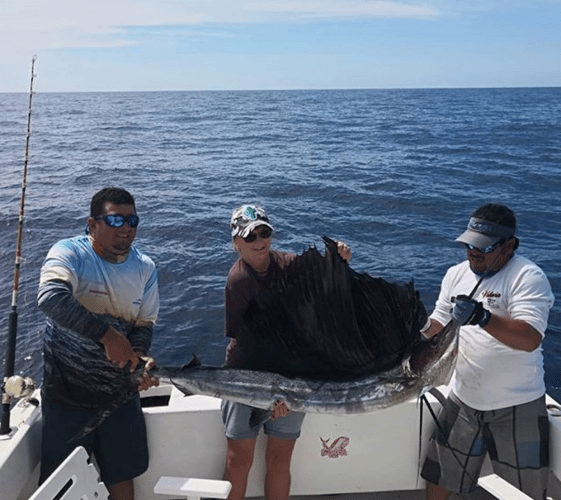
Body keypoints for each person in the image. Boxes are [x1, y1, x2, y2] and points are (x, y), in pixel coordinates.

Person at [420, 203, 555, 500]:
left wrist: (484, 318)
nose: (473, 252)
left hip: (517, 406)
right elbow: (439, 323)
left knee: (524, 492)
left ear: (509, 246)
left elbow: (530, 337)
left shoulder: (528, 277)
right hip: (464, 398)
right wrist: (417, 329)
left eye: (483, 246)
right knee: (440, 475)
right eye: (469, 244)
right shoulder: (456, 274)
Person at [37, 187, 160, 500]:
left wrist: (138, 358)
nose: (127, 227)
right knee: (62, 487)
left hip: (120, 397)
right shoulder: (71, 253)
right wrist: (107, 336)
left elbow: (144, 325)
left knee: (122, 477)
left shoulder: (145, 267)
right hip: (67, 399)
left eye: (132, 220)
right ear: (92, 225)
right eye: (116, 220)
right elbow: (51, 297)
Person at [222, 204, 351, 500]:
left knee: (280, 460)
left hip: (293, 377)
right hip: (246, 376)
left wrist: (340, 258)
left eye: (263, 233)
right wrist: (268, 395)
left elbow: (328, 280)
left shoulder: (291, 264)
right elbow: (246, 344)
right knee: (238, 461)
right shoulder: (238, 280)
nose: (259, 241)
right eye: (249, 236)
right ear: (236, 244)